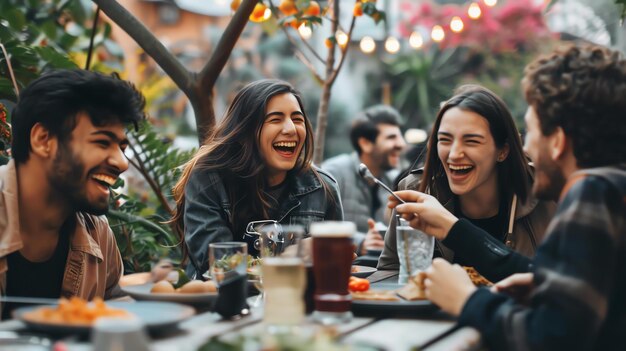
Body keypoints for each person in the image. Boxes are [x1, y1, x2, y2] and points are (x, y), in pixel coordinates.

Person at [390, 44, 626, 350]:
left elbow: (550, 339)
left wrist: (467, 300)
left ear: (557, 141)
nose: (525, 148)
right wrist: (540, 281)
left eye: (531, 132)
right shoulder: (614, 187)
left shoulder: (593, 192)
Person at [0, 69, 146, 319]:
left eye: (122, 147)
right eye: (102, 142)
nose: (122, 163)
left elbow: (114, 320)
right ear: (43, 139)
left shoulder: (98, 234)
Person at [379, 85, 555, 282]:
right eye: (444, 140)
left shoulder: (546, 195)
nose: (454, 154)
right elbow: (390, 271)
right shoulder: (415, 190)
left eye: (471, 141)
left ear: (503, 150)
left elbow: (558, 285)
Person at [172, 79, 342, 278]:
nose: (291, 129)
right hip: (224, 305)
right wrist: (293, 256)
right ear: (246, 129)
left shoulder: (322, 187)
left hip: (297, 303)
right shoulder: (209, 180)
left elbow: (335, 266)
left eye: (297, 119)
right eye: (275, 119)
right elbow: (219, 264)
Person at [322, 105, 406, 255]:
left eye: (400, 136)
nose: (401, 144)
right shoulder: (333, 173)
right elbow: (318, 227)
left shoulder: (392, 180)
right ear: (365, 143)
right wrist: (360, 242)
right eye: (391, 137)